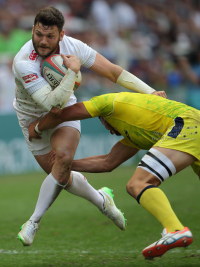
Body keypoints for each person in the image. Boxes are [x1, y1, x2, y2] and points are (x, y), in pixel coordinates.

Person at [13, 6, 165, 246]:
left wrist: (150, 91)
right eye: (39, 34)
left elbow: (113, 72)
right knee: (60, 177)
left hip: (64, 111)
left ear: (61, 35)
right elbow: (51, 103)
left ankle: (33, 221)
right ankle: (102, 200)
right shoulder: (23, 62)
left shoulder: (74, 46)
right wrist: (72, 72)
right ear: (32, 30)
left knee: (62, 158)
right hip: (30, 116)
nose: (42, 41)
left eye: (50, 36)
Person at [28, 92, 198, 259]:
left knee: (137, 184)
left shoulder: (108, 102)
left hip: (187, 124)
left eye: (106, 126)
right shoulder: (135, 135)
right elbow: (108, 162)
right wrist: (66, 164)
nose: (109, 131)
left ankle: (175, 229)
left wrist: (37, 127)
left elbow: (65, 114)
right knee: (137, 183)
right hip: (192, 126)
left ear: (104, 118)